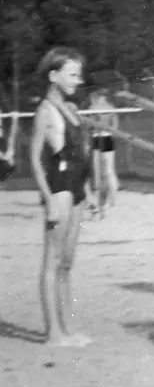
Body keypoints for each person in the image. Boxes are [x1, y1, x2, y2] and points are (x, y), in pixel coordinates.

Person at [30, 47, 96, 347]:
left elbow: (81, 152)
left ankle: (68, 329)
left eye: (79, 75)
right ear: (53, 75)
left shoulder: (71, 108)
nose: (77, 81)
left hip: (78, 184)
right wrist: (48, 199)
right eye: (72, 75)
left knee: (66, 262)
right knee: (52, 261)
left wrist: (89, 190)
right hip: (60, 186)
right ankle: (53, 334)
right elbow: (35, 160)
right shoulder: (45, 111)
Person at [87, 87, 121, 208]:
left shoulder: (94, 108)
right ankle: (111, 199)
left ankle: (107, 199)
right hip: (105, 137)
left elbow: (90, 125)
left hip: (102, 138)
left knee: (103, 170)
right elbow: (115, 126)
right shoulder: (110, 107)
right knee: (107, 170)